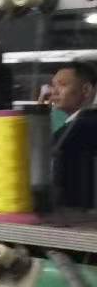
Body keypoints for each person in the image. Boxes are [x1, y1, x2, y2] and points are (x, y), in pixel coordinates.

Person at [51, 61, 97, 210]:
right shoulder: (74, 123)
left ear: (86, 90)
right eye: (53, 85)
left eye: (62, 85)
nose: (54, 92)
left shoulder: (85, 125)